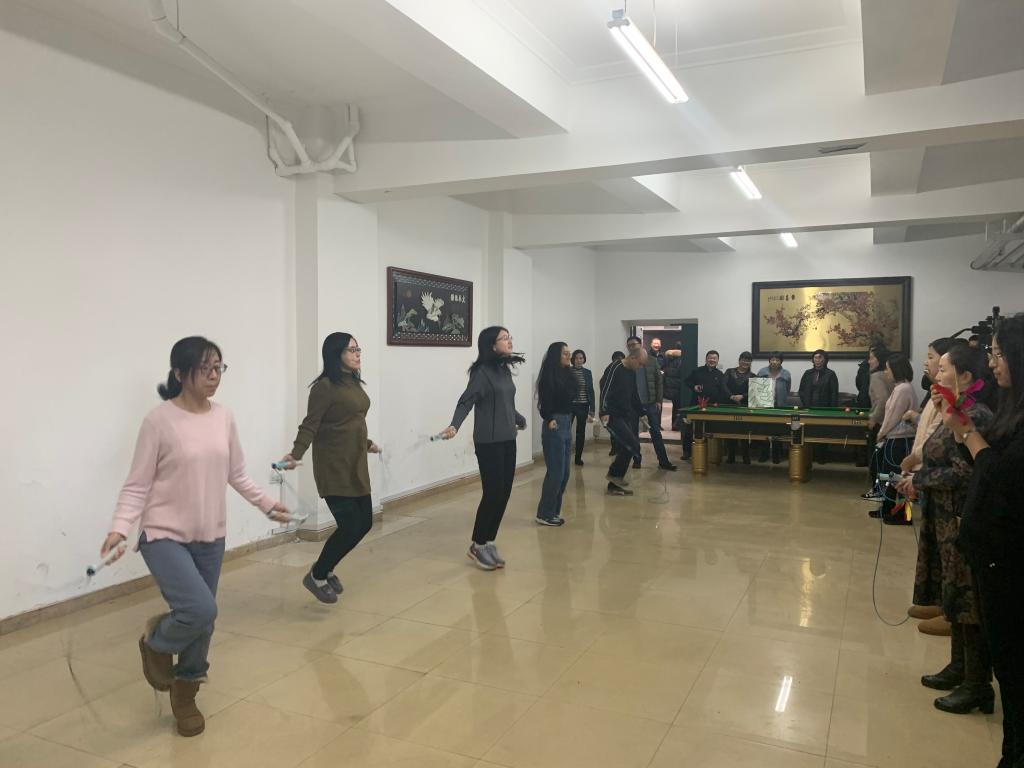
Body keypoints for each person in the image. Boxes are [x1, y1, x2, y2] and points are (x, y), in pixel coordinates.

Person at [100, 337, 291, 737]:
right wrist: (120, 526)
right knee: (201, 610)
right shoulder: (159, 421)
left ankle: (185, 693)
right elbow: (137, 484)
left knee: (203, 623)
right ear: (179, 373)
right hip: (163, 533)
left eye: (219, 367)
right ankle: (156, 643)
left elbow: (236, 473)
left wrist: (266, 504)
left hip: (211, 535)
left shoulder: (224, 417)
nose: (214, 376)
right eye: (205, 368)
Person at [896, 345, 994, 716]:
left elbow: (968, 473)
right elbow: (937, 455)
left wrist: (921, 479)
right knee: (952, 593)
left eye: (944, 369)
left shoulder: (974, 416)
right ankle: (958, 667)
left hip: (961, 519)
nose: (936, 374)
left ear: (965, 377)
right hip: (942, 517)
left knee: (968, 602)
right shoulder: (952, 410)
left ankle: (977, 683)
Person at [946, 315, 1024, 765]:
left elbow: (1003, 476)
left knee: (1015, 670)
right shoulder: (1009, 405)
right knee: (1008, 669)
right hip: (991, 553)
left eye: (997, 354)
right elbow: (983, 462)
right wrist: (963, 434)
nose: (992, 363)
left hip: (1011, 559)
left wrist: (968, 434)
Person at [277, 333, 380, 604]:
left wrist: (366, 443)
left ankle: (327, 566)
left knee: (365, 523)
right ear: (336, 354)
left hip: (355, 461)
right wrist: (295, 454)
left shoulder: (353, 381)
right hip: (334, 466)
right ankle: (318, 575)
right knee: (350, 525)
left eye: (358, 348)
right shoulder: (324, 387)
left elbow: (348, 421)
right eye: (351, 350)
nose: (357, 354)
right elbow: (311, 424)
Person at [440, 326, 526, 571]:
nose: (509, 341)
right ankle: (477, 544)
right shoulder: (482, 373)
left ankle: (489, 541)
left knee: (504, 493)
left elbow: (505, 401)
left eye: (509, 337)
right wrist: (454, 425)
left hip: (508, 439)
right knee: (492, 493)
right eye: (504, 338)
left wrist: (518, 418)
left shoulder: (504, 369)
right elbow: (466, 401)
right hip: (489, 442)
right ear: (492, 345)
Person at [901, 338, 957, 634]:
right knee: (932, 546)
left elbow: (941, 442)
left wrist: (916, 465)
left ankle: (952, 611)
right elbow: (927, 434)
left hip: (946, 487)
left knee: (951, 553)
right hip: (926, 474)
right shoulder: (936, 395)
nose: (927, 362)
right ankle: (937, 600)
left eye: (933, 358)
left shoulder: (963, 407)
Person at [871, 353, 917, 524]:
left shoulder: (902, 389)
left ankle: (904, 515)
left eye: (887, 368)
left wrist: (880, 433)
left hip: (899, 439)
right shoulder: (902, 387)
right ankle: (887, 509)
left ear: (896, 370)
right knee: (890, 477)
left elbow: (892, 417)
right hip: (897, 438)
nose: (885, 372)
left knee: (897, 478)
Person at [535, 341, 575, 527]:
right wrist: (549, 418)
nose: (569, 356)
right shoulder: (548, 376)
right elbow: (545, 403)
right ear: (555, 356)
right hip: (555, 424)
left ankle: (554, 511)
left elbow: (570, 398)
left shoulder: (568, 374)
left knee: (565, 473)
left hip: (567, 422)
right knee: (556, 472)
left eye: (569, 353)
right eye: (564, 353)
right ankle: (544, 513)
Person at [601, 347, 647, 495]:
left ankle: (613, 484)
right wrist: (604, 411)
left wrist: (641, 412)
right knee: (632, 444)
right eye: (640, 364)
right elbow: (604, 389)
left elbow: (634, 394)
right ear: (633, 358)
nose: (640, 367)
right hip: (612, 415)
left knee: (626, 446)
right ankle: (615, 475)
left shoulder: (631, 372)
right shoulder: (615, 368)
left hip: (625, 414)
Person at [626, 335, 676, 471]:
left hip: (650, 402)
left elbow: (659, 381)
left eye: (634, 344)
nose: (632, 347)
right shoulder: (627, 363)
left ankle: (663, 461)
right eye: (629, 345)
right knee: (633, 433)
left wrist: (659, 400)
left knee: (656, 432)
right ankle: (637, 459)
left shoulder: (652, 361)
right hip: (633, 405)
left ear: (640, 344)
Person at [682, 350, 728, 460]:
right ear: (706, 359)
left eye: (714, 358)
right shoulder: (697, 371)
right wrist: (694, 387)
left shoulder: (720, 374)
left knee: (709, 429)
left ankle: (709, 451)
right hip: (696, 405)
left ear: (717, 360)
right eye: (710, 358)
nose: (712, 360)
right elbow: (687, 381)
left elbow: (722, 390)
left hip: (712, 406)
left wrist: (719, 402)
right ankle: (687, 452)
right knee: (690, 428)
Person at [798, 349, 839, 463]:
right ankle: (809, 456)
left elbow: (834, 393)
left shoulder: (831, 374)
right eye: (815, 357)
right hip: (809, 408)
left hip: (825, 409)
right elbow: (801, 390)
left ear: (825, 360)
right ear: (812, 359)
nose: (817, 360)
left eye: (820, 357)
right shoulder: (807, 373)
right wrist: (805, 403)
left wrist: (832, 410)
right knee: (809, 432)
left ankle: (822, 456)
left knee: (822, 432)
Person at [862, 347, 893, 492]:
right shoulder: (889, 374)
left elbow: (882, 399)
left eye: (871, 358)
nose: (869, 361)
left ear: (879, 360)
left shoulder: (876, 376)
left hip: (880, 423)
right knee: (884, 459)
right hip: (890, 422)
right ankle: (884, 489)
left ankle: (877, 489)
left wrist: (874, 418)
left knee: (875, 458)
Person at [756, 352, 791, 463]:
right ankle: (764, 454)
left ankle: (776, 455)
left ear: (781, 361)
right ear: (769, 360)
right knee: (764, 429)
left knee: (778, 430)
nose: (774, 362)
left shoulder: (786, 373)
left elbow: (788, 389)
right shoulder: (762, 372)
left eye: (777, 360)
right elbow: (757, 389)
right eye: (772, 359)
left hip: (780, 405)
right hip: (765, 405)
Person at [724, 351, 756, 464]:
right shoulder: (729, 371)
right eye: (743, 359)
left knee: (744, 432)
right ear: (739, 360)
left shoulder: (753, 376)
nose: (745, 362)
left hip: (745, 406)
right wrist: (731, 396)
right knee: (730, 431)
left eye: (748, 360)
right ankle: (731, 456)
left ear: (750, 362)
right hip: (729, 404)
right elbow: (723, 385)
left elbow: (754, 391)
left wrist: (743, 396)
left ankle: (746, 456)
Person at [569, 349, 595, 466]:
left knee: (580, 432)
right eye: (576, 358)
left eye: (581, 358)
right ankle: (565, 454)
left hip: (583, 406)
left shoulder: (587, 373)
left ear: (584, 359)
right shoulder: (568, 371)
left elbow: (591, 391)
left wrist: (592, 410)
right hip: (570, 406)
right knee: (566, 431)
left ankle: (578, 458)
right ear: (573, 360)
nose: (579, 360)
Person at [600, 351, 626, 456]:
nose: (618, 362)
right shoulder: (609, 369)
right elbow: (603, 384)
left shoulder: (626, 369)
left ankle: (619, 448)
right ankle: (615, 448)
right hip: (612, 404)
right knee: (614, 427)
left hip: (623, 404)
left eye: (620, 359)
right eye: (617, 359)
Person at [663, 342, 685, 430]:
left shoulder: (669, 358)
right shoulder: (683, 360)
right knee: (680, 407)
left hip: (671, 386)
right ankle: (677, 425)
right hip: (679, 387)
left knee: (675, 406)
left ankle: (674, 425)